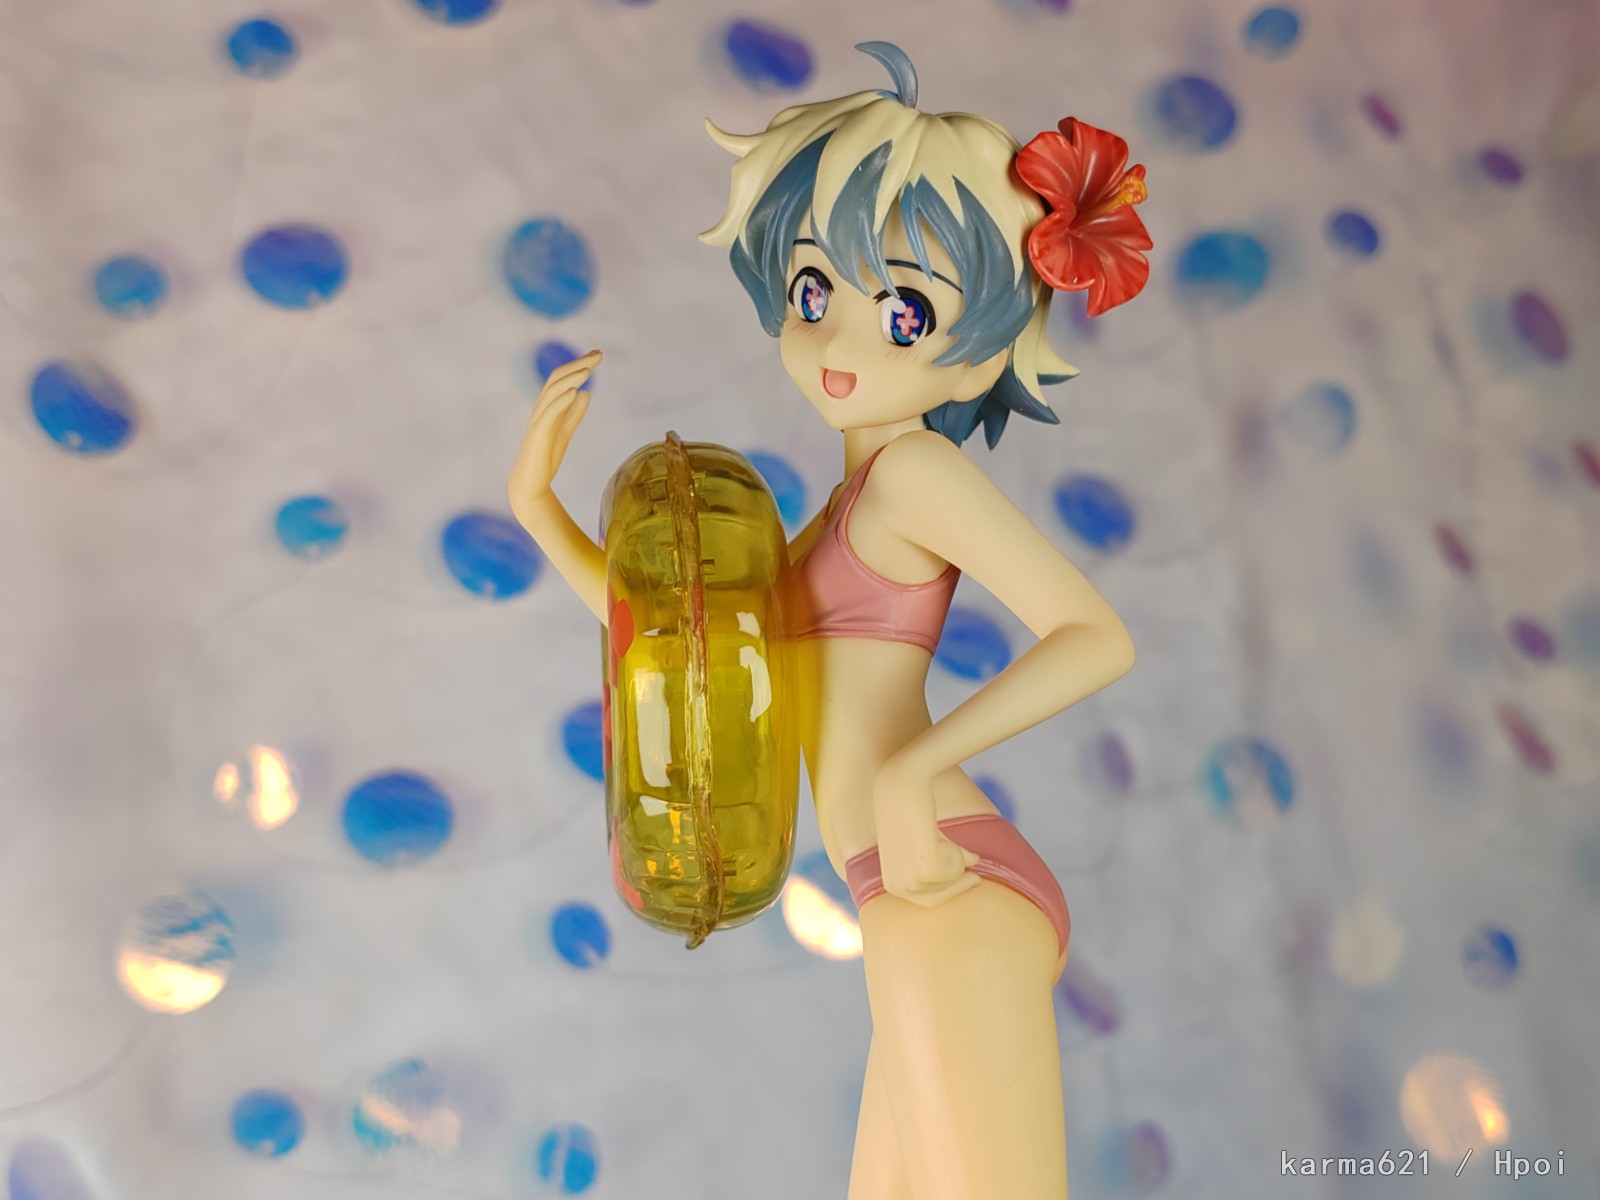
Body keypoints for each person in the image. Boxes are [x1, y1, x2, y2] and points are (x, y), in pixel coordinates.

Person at [509, 41, 1151, 1200]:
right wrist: (536, 509)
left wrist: (914, 774)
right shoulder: (842, 510)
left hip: (943, 881)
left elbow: (1095, 636)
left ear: (978, 359)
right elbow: (679, 645)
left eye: (902, 311)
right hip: (899, 885)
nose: (839, 340)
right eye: (816, 292)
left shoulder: (914, 476)